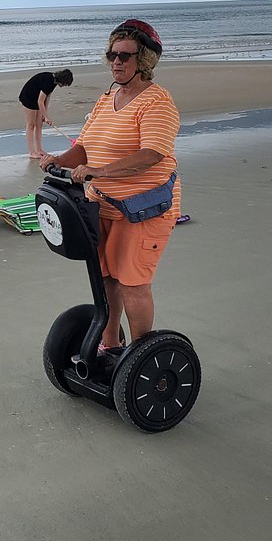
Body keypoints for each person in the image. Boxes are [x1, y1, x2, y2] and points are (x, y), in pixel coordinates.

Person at [39, 19, 182, 355]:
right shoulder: (108, 98)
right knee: (106, 279)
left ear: (143, 60)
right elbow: (85, 147)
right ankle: (110, 346)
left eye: (125, 56)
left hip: (143, 209)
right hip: (101, 205)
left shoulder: (157, 102)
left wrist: (99, 172)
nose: (116, 61)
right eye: (112, 54)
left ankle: (141, 356)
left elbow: (152, 153)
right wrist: (59, 159)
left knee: (132, 284)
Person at [19, 68, 73, 158]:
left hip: (37, 98)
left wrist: (45, 114)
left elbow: (47, 97)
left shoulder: (55, 81)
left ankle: (39, 150)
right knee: (31, 125)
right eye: (64, 84)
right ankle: (32, 152)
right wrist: (46, 117)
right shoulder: (48, 81)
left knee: (39, 124)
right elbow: (40, 101)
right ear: (62, 80)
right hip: (28, 97)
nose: (63, 86)